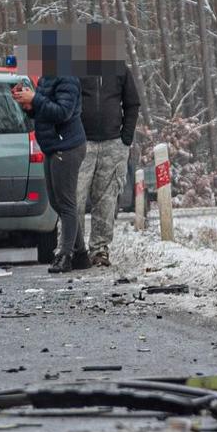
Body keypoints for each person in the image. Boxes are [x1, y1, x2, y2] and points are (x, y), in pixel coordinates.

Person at [11, 34, 84, 274]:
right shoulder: (46, 78)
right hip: (52, 145)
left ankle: (65, 255)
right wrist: (30, 105)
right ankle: (81, 253)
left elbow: (63, 112)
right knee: (57, 202)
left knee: (65, 202)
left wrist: (36, 99)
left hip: (67, 146)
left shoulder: (68, 78)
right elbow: (45, 111)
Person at [72, 21, 142, 269]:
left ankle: (100, 250)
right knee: (74, 199)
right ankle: (72, 249)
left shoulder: (119, 68)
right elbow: (65, 102)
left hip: (113, 144)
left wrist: (126, 138)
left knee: (106, 201)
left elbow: (132, 103)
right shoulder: (74, 69)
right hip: (81, 144)